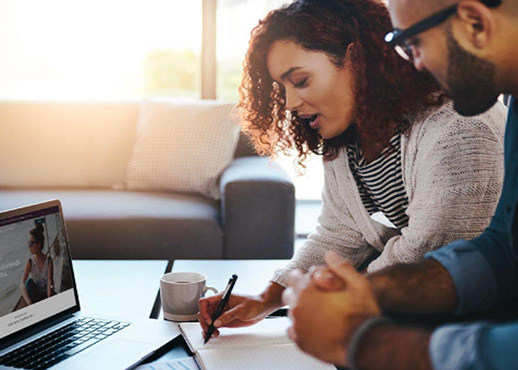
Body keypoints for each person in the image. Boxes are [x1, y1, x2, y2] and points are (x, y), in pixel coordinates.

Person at [198, 0, 507, 341]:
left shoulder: (461, 129)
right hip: (404, 323)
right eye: (281, 88)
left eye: (300, 80)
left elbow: (426, 256)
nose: (288, 103)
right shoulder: (348, 137)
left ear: (358, 59)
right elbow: (338, 233)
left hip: (465, 337)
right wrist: (267, 299)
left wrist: (327, 299)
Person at [282, 0, 518, 369]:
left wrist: (363, 343)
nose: (414, 63)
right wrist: (369, 291)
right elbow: (503, 252)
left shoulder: (464, 127)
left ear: (475, 23)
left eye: (412, 43)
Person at [20, 224, 55, 305]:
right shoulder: (30, 262)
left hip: (46, 294)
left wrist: (50, 297)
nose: (29, 246)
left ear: (39, 244)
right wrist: (29, 301)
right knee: (29, 282)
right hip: (36, 295)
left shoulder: (49, 261)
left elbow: (50, 282)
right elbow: (22, 283)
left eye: (31, 243)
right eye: (28, 243)